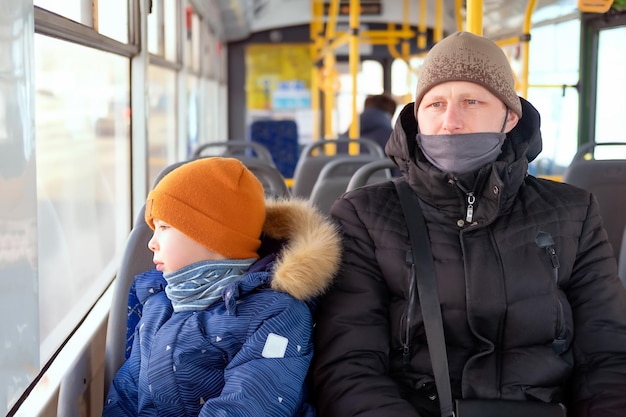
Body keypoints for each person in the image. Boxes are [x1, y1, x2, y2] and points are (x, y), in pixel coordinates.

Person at [312, 31, 626, 416]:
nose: (450, 122)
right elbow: (349, 365)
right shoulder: (365, 216)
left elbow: (608, 357)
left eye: (471, 101)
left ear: (510, 116)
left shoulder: (572, 213)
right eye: (435, 104)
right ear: (417, 117)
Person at [102, 157, 341, 417]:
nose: (152, 243)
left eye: (164, 227)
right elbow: (126, 393)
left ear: (212, 236)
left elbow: (249, 405)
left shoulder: (277, 314)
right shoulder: (158, 303)